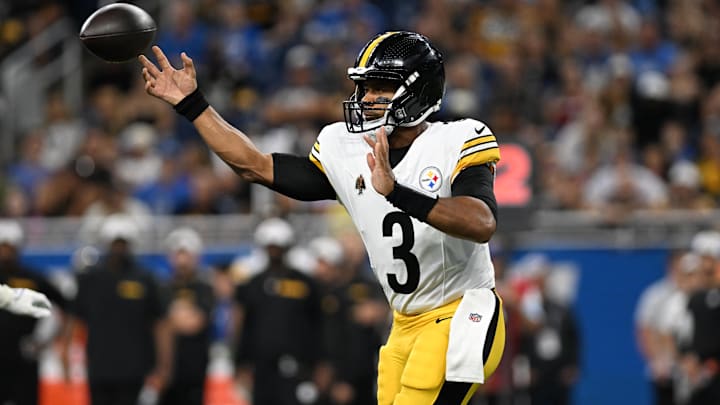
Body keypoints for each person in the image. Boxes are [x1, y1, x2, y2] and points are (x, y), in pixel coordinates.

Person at [140, 30, 505, 404]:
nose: (366, 98)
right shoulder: (343, 148)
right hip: (404, 323)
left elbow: (481, 223)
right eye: (364, 88)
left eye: (380, 87)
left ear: (419, 90)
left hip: (462, 311)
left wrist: (396, 191)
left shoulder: (458, 139)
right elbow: (254, 166)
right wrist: (193, 105)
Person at [65, 214, 172, 405]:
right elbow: (74, 318)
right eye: (116, 242)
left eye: (123, 242)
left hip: (135, 369)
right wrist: (65, 354)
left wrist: (163, 366)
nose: (119, 247)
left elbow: (160, 324)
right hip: (99, 367)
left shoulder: (145, 279)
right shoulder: (90, 279)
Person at [232, 217, 323, 405]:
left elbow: (318, 324)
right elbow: (242, 324)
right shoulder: (252, 284)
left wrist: (321, 365)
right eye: (270, 246)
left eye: (278, 247)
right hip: (261, 369)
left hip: (298, 367)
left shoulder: (306, 284)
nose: (274, 252)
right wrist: (240, 364)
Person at [0, 220, 67, 405]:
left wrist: (45, 342)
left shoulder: (32, 277)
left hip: (24, 357)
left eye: (9, 246)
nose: (6, 251)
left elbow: (66, 305)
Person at [159, 227, 215, 405]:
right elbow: (158, 323)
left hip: (194, 368)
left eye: (186, 254)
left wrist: (172, 318)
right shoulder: (163, 288)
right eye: (178, 254)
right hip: (166, 369)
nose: (182, 260)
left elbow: (195, 322)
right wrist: (181, 315)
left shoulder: (204, 288)